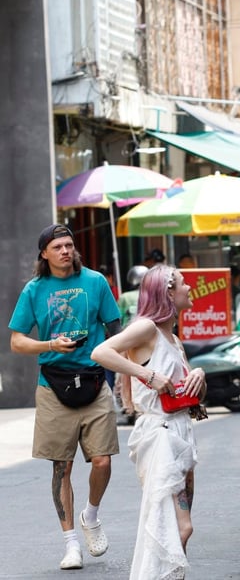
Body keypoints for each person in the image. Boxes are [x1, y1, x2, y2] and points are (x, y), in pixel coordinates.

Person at [8, 223, 124, 570]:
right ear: (44, 253)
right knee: (62, 466)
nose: (65, 251)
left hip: (93, 378)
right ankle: (71, 543)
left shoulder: (95, 282)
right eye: (57, 246)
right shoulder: (34, 290)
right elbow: (17, 341)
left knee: (102, 460)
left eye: (69, 245)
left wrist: (129, 372)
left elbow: (115, 329)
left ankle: (92, 515)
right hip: (52, 386)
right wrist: (49, 345)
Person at [92, 264, 207, 580]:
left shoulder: (173, 339)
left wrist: (198, 375)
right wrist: (147, 374)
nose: (189, 289)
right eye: (183, 283)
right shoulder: (146, 329)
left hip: (180, 433)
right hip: (160, 436)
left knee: (177, 530)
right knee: (178, 527)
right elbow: (101, 351)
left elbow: (183, 392)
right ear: (168, 291)